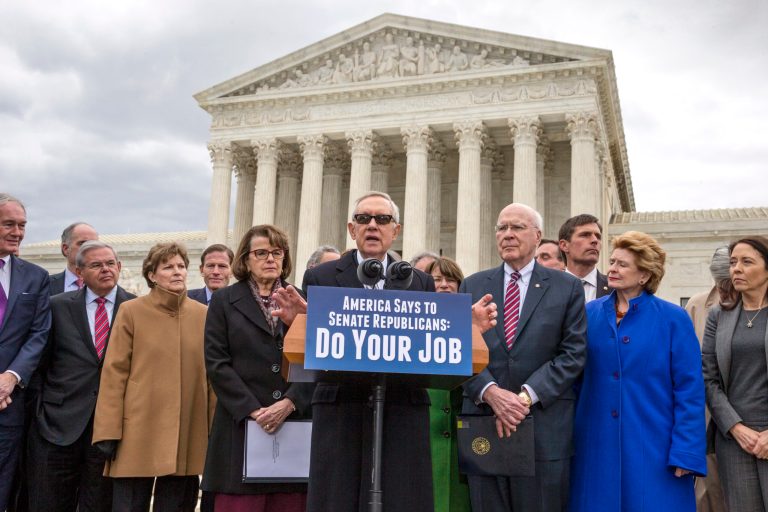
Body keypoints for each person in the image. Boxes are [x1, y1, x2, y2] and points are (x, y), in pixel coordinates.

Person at [303, 191, 436, 512]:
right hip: (341, 410)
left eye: (382, 219)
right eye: (364, 219)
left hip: (400, 410)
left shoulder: (419, 282)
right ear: (352, 230)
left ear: (396, 230)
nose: (372, 225)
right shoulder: (320, 277)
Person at [459, 202, 587, 512]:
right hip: (484, 424)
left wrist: (523, 399)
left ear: (538, 235)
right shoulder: (473, 285)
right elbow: (459, 348)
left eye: (517, 227)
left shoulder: (567, 287)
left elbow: (573, 354)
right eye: (502, 228)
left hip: (543, 430)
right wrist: (491, 393)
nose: (507, 235)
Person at [570, 231, 706, 511]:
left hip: (655, 447)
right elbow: (573, 377)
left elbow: (690, 390)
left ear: (644, 275)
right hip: (595, 446)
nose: (612, 269)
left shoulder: (673, 319)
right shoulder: (588, 313)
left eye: (622, 264)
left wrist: (686, 452)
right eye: (613, 262)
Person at [92, 242, 213, 512]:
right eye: (168, 267)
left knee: (178, 503)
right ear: (151, 274)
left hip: (187, 431)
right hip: (136, 429)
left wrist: (213, 430)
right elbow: (115, 373)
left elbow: (211, 378)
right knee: (129, 504)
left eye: (181, 266)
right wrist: (108, 431)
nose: (177, 272)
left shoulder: (203, 315)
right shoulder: (131, 311)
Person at [202, 225, 314, 511]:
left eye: (277, 252)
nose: (270, 259)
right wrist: (254, 411)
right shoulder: (224, 300)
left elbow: (318, 361)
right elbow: (217, 363)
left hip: (294, 425)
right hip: (241, 426)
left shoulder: (303, 299)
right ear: (245, 259)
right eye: (261, 252)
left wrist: (290, 403)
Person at [27, 241, 135, 512]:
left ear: (120, 267)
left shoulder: (136, 309)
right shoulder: (56, 306)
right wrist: (43, 412)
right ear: (79, 271)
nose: (106, 270)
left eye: (110, 263)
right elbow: (39, 364)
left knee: (98, 504)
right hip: (57, 428)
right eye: (96, 265)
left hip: (110, 432)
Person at [703, 236, 768, 511]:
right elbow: (709, 377)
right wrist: (735, 427)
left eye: (746, 262)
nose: (736, 269)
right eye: (732, 263)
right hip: (735, 440)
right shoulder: (719, 315)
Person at [0, 194, 51, 512]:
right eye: (9, 224)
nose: (17, 232)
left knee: (4, 482)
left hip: (9, 403)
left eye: (22, 225)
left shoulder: (36, 277)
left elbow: (38, 334)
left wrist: (10, 377)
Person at [424, 256, 471, 512]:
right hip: (425, 428)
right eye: (436, 279)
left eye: (450, 279)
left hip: (461, 431)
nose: (443, 285)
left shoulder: (471, 322)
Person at [685, 246, 729, 512]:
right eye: (721, 286)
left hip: (752, 415)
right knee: (707, 491)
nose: (726, 295)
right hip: (706, 414)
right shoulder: (697, 304)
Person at [558, 214, 609, 302]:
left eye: (598, 236)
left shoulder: (616, 288)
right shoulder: (548, 288)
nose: (595, 240)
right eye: (585, 235)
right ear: (564, 245)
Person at [49, 223, 99, 295]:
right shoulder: (45, 284)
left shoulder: (108, 286)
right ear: (65, 248)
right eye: (82, 243)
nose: (89, 248)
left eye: (94, 244)